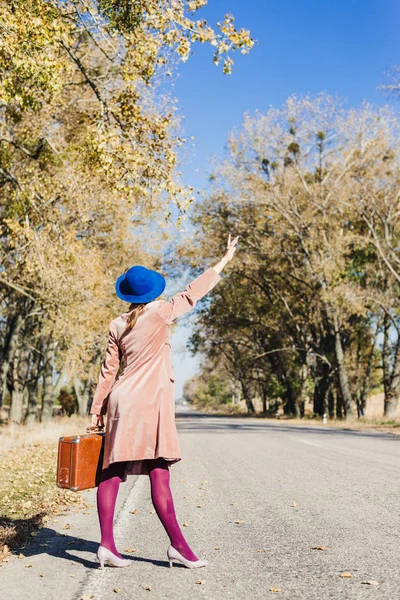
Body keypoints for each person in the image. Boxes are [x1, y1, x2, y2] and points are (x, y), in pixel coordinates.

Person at [89, 234, 239, 569]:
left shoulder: (116, 324)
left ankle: (107, 546)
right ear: (152, 292)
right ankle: (179, 548)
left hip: (120, 403)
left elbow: (108, 371)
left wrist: (97, 411)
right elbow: (192, 293)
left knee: (111, 472)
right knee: (158, 471)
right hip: (150, 403)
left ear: (127, 294)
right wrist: (223, 261)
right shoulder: (159, 312)